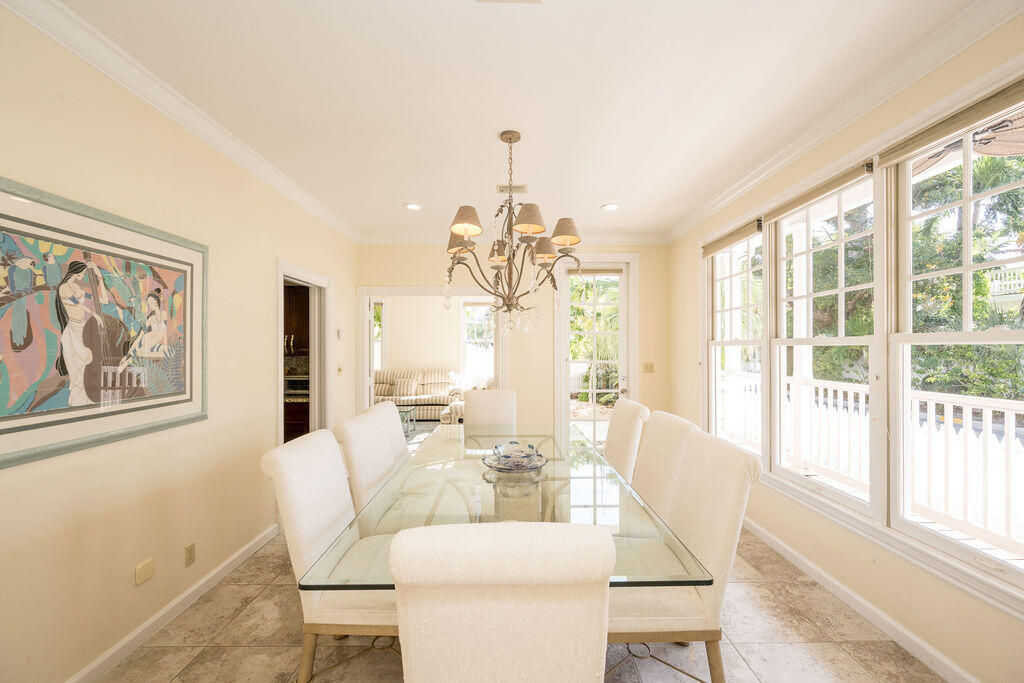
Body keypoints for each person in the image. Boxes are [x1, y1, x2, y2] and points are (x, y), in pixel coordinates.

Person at [55, 260, 111, 406]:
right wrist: (95, 314)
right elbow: (76, 303)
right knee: (82, 366)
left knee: (88, 360)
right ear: (77, 271)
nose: (84, 275)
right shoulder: (64, 288)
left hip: (82, 329)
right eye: (84, 272)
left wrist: (99, 277)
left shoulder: (77, 288)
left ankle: (88, 396)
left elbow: (104, 301)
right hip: (73, 332)